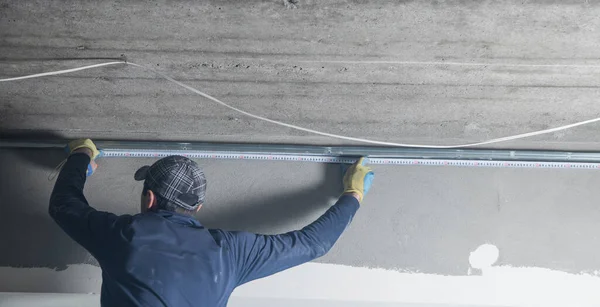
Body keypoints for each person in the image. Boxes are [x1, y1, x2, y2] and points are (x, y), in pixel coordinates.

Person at [49, 139, 375, 307]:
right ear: (198, 206)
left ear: (149, 198)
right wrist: (353, 193)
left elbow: (64, 206)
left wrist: (81, 155)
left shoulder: (122, 236)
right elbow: (311, 243)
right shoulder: (231, 254)